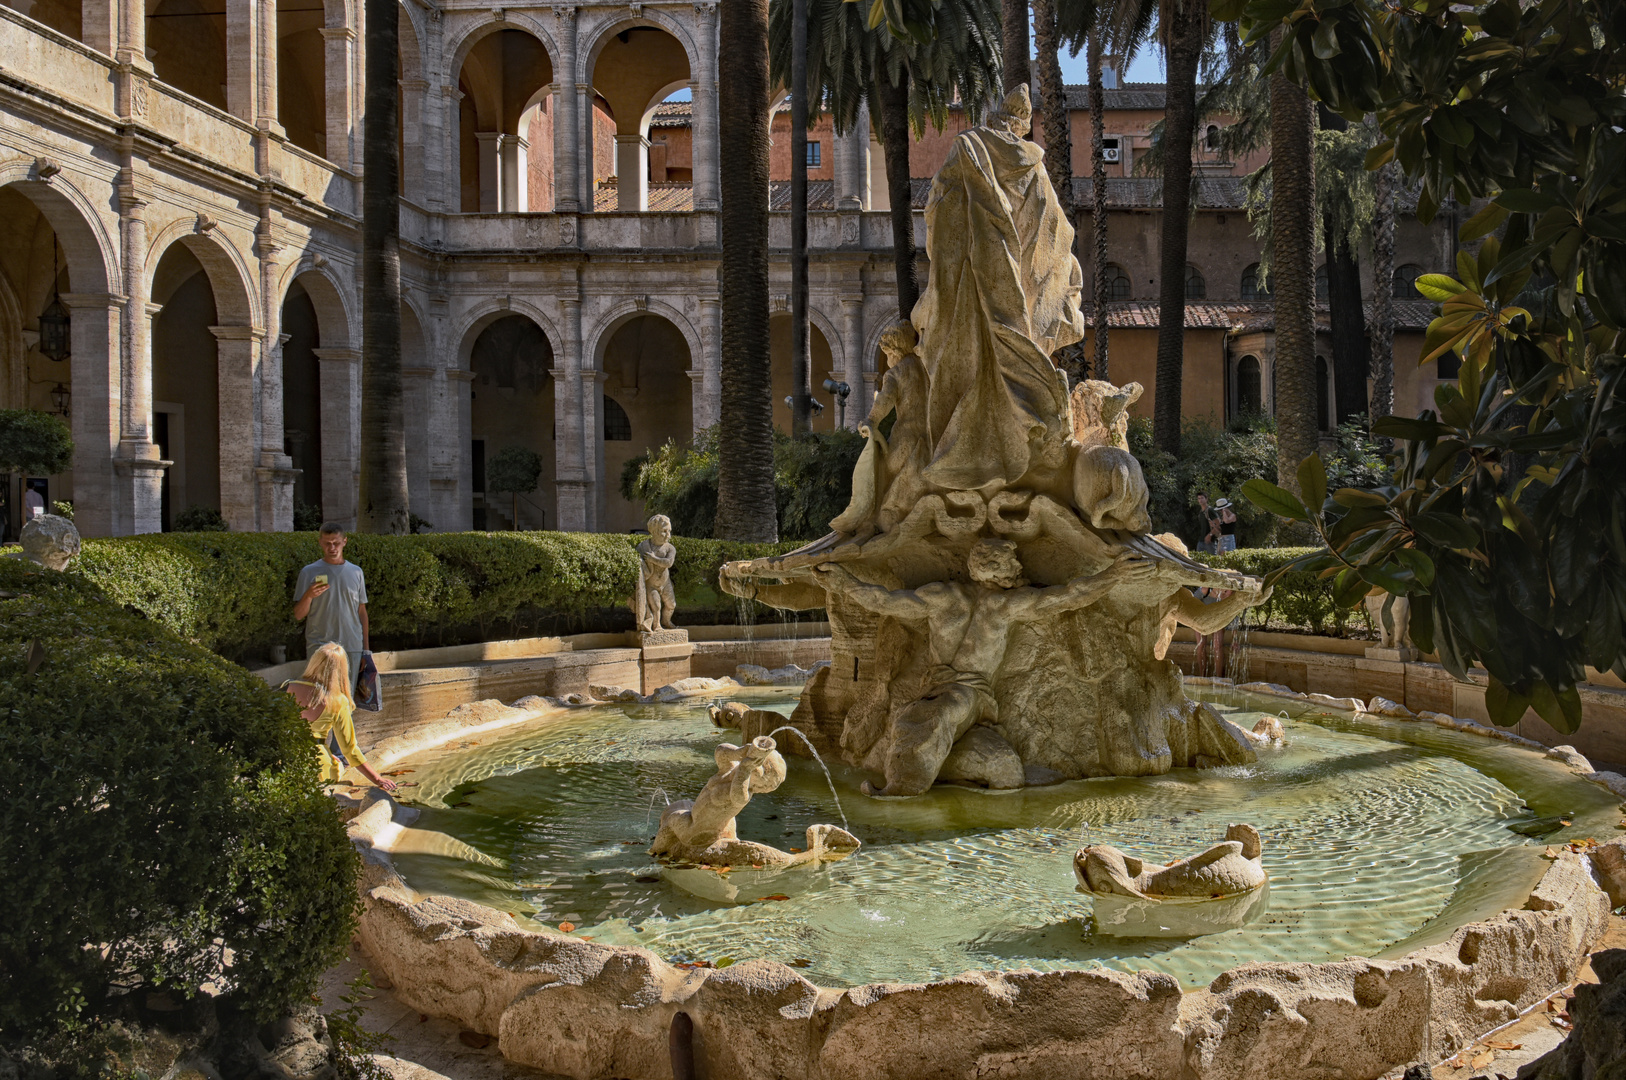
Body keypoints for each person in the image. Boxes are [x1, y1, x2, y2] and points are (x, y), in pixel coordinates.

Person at [812, 543, 1155, 796]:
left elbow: (884, 599)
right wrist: (845, 584)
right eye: (1012, 565)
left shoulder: (964, 600)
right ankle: (904, 784)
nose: (1017, 572)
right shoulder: (981, 601)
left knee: (943, 710)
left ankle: (902, 789)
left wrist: (846, 583)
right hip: (941, 688)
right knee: (917, 715)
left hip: (968, 694)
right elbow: (1066, 595)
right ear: (1002, 569)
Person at [285, 643, 396, 791]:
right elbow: (350, 750)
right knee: (337, 765)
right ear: (341, 670)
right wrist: (378, 779)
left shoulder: (289, 687)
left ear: (314, 662)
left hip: (287, 761)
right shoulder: (338, 701)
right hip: (318, 766)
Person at [293, 522, 369, 689]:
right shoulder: (309, 572)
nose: (332, 547)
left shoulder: (356, 572)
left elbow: (361, 612)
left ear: (344, 542)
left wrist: (366, 650)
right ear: (320, 542)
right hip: (320, 645)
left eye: (336, 542)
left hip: (351, 646)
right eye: (327, 543)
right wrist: (309, 595)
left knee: (347, 701)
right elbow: (298, 614)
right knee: (319, 700)